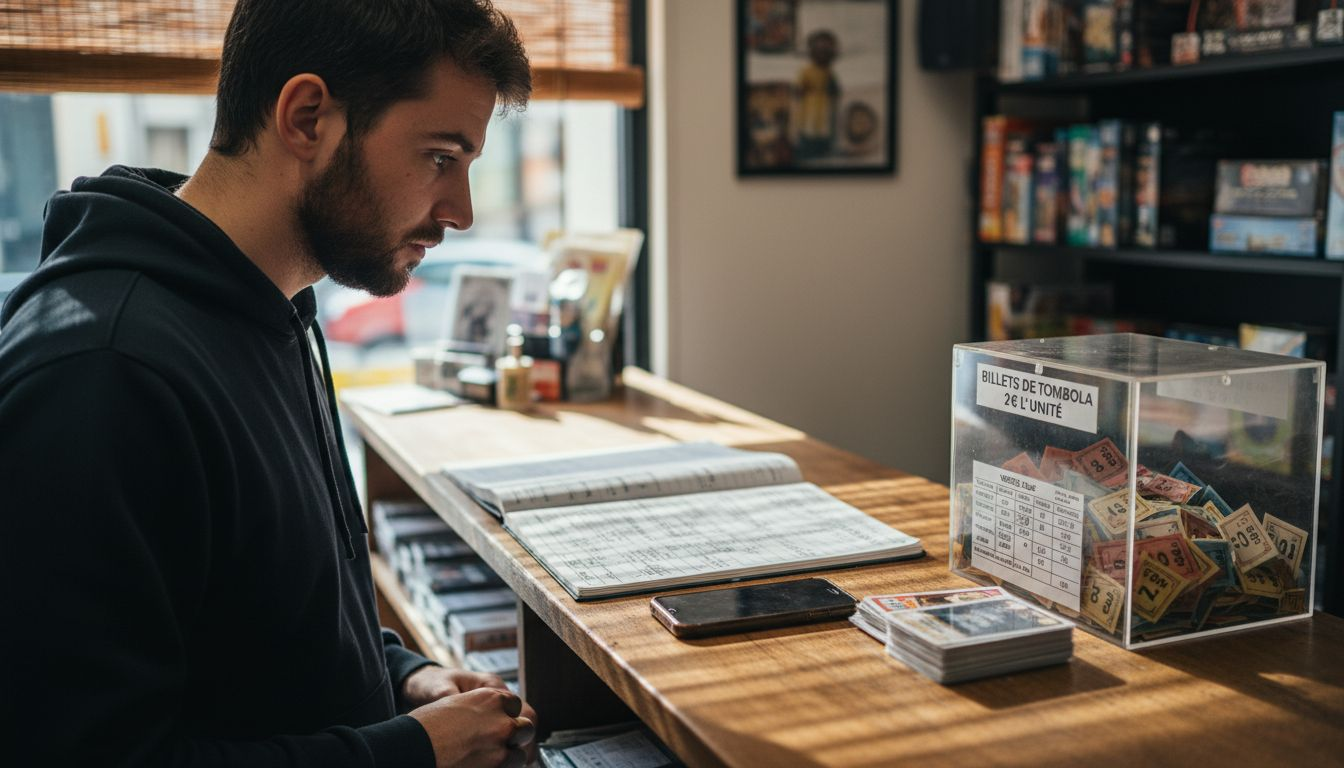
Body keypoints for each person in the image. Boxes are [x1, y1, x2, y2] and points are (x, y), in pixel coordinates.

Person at [0, 1, 537, 766]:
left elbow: (266, 616)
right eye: (440, 157)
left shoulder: (270, 309)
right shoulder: (102, 373)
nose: (461, 211)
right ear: (308, 116)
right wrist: (408, 753)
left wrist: (402, 679)